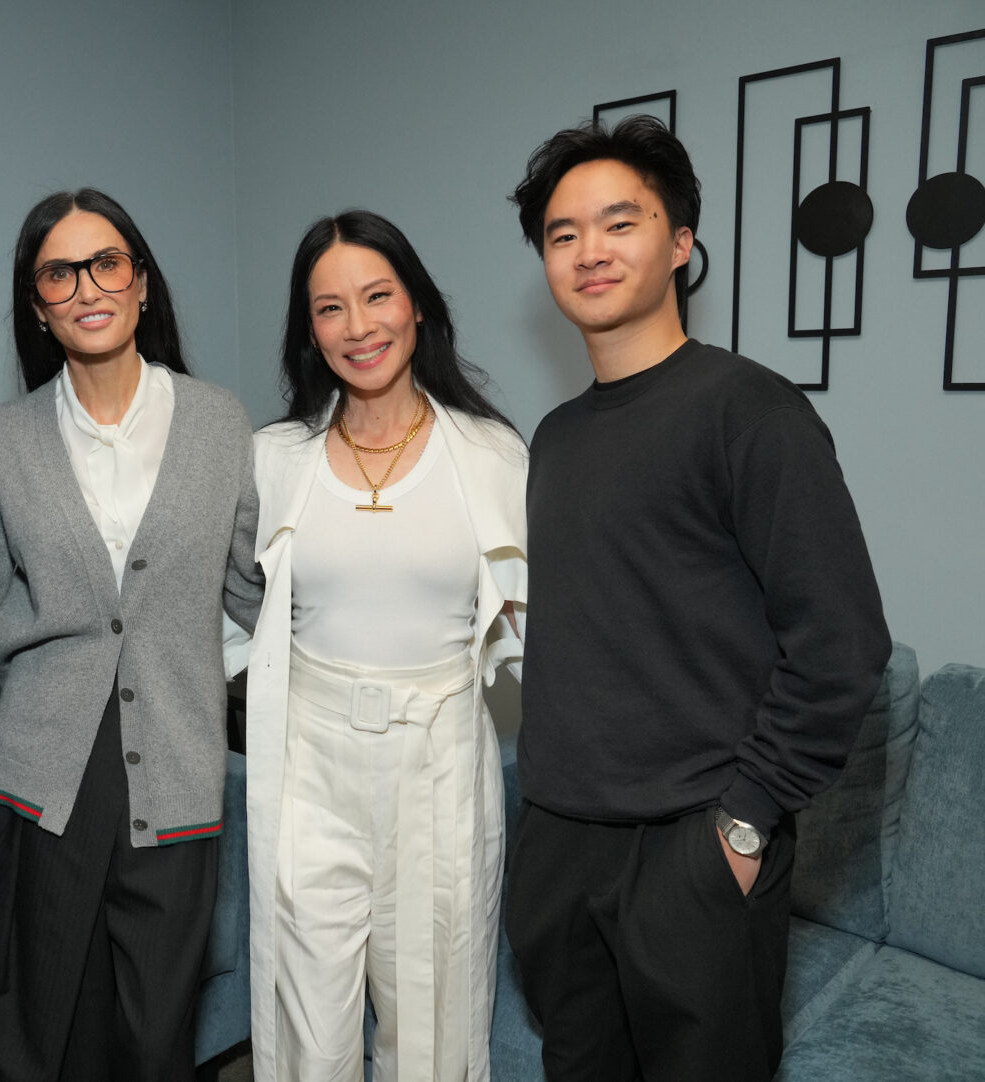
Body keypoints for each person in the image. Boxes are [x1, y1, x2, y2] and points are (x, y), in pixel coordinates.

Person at [506, 115, 890, 1081]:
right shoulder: (552, 436)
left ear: (680, 243)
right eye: (562, 234)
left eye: (619, 223)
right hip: (556, 845)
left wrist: (746, 824)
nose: (589, 251)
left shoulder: (748, 411)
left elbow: (843, 644)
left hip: (692, 852)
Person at [0, 188, 264, 1082]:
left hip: (176, 765)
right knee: (40, 1034)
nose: (87, 287)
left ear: (141, 282)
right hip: (40, 777)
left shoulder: (218, 422)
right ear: (37, 304)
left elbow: (254, 588)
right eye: (59, 272)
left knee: (154, 1037)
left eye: (107, 262)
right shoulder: (3, 438)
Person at [241, 210, 528, 1082]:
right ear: (308, 329)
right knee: (305, 1028)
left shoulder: (491, 453)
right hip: (308, 769)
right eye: (330, 308)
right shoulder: (272, 457)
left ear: (417, 307)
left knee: (437, 1027)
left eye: (377, 297)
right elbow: (228, 614)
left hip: (440, 765)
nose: (358, 327)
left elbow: (543, 634)